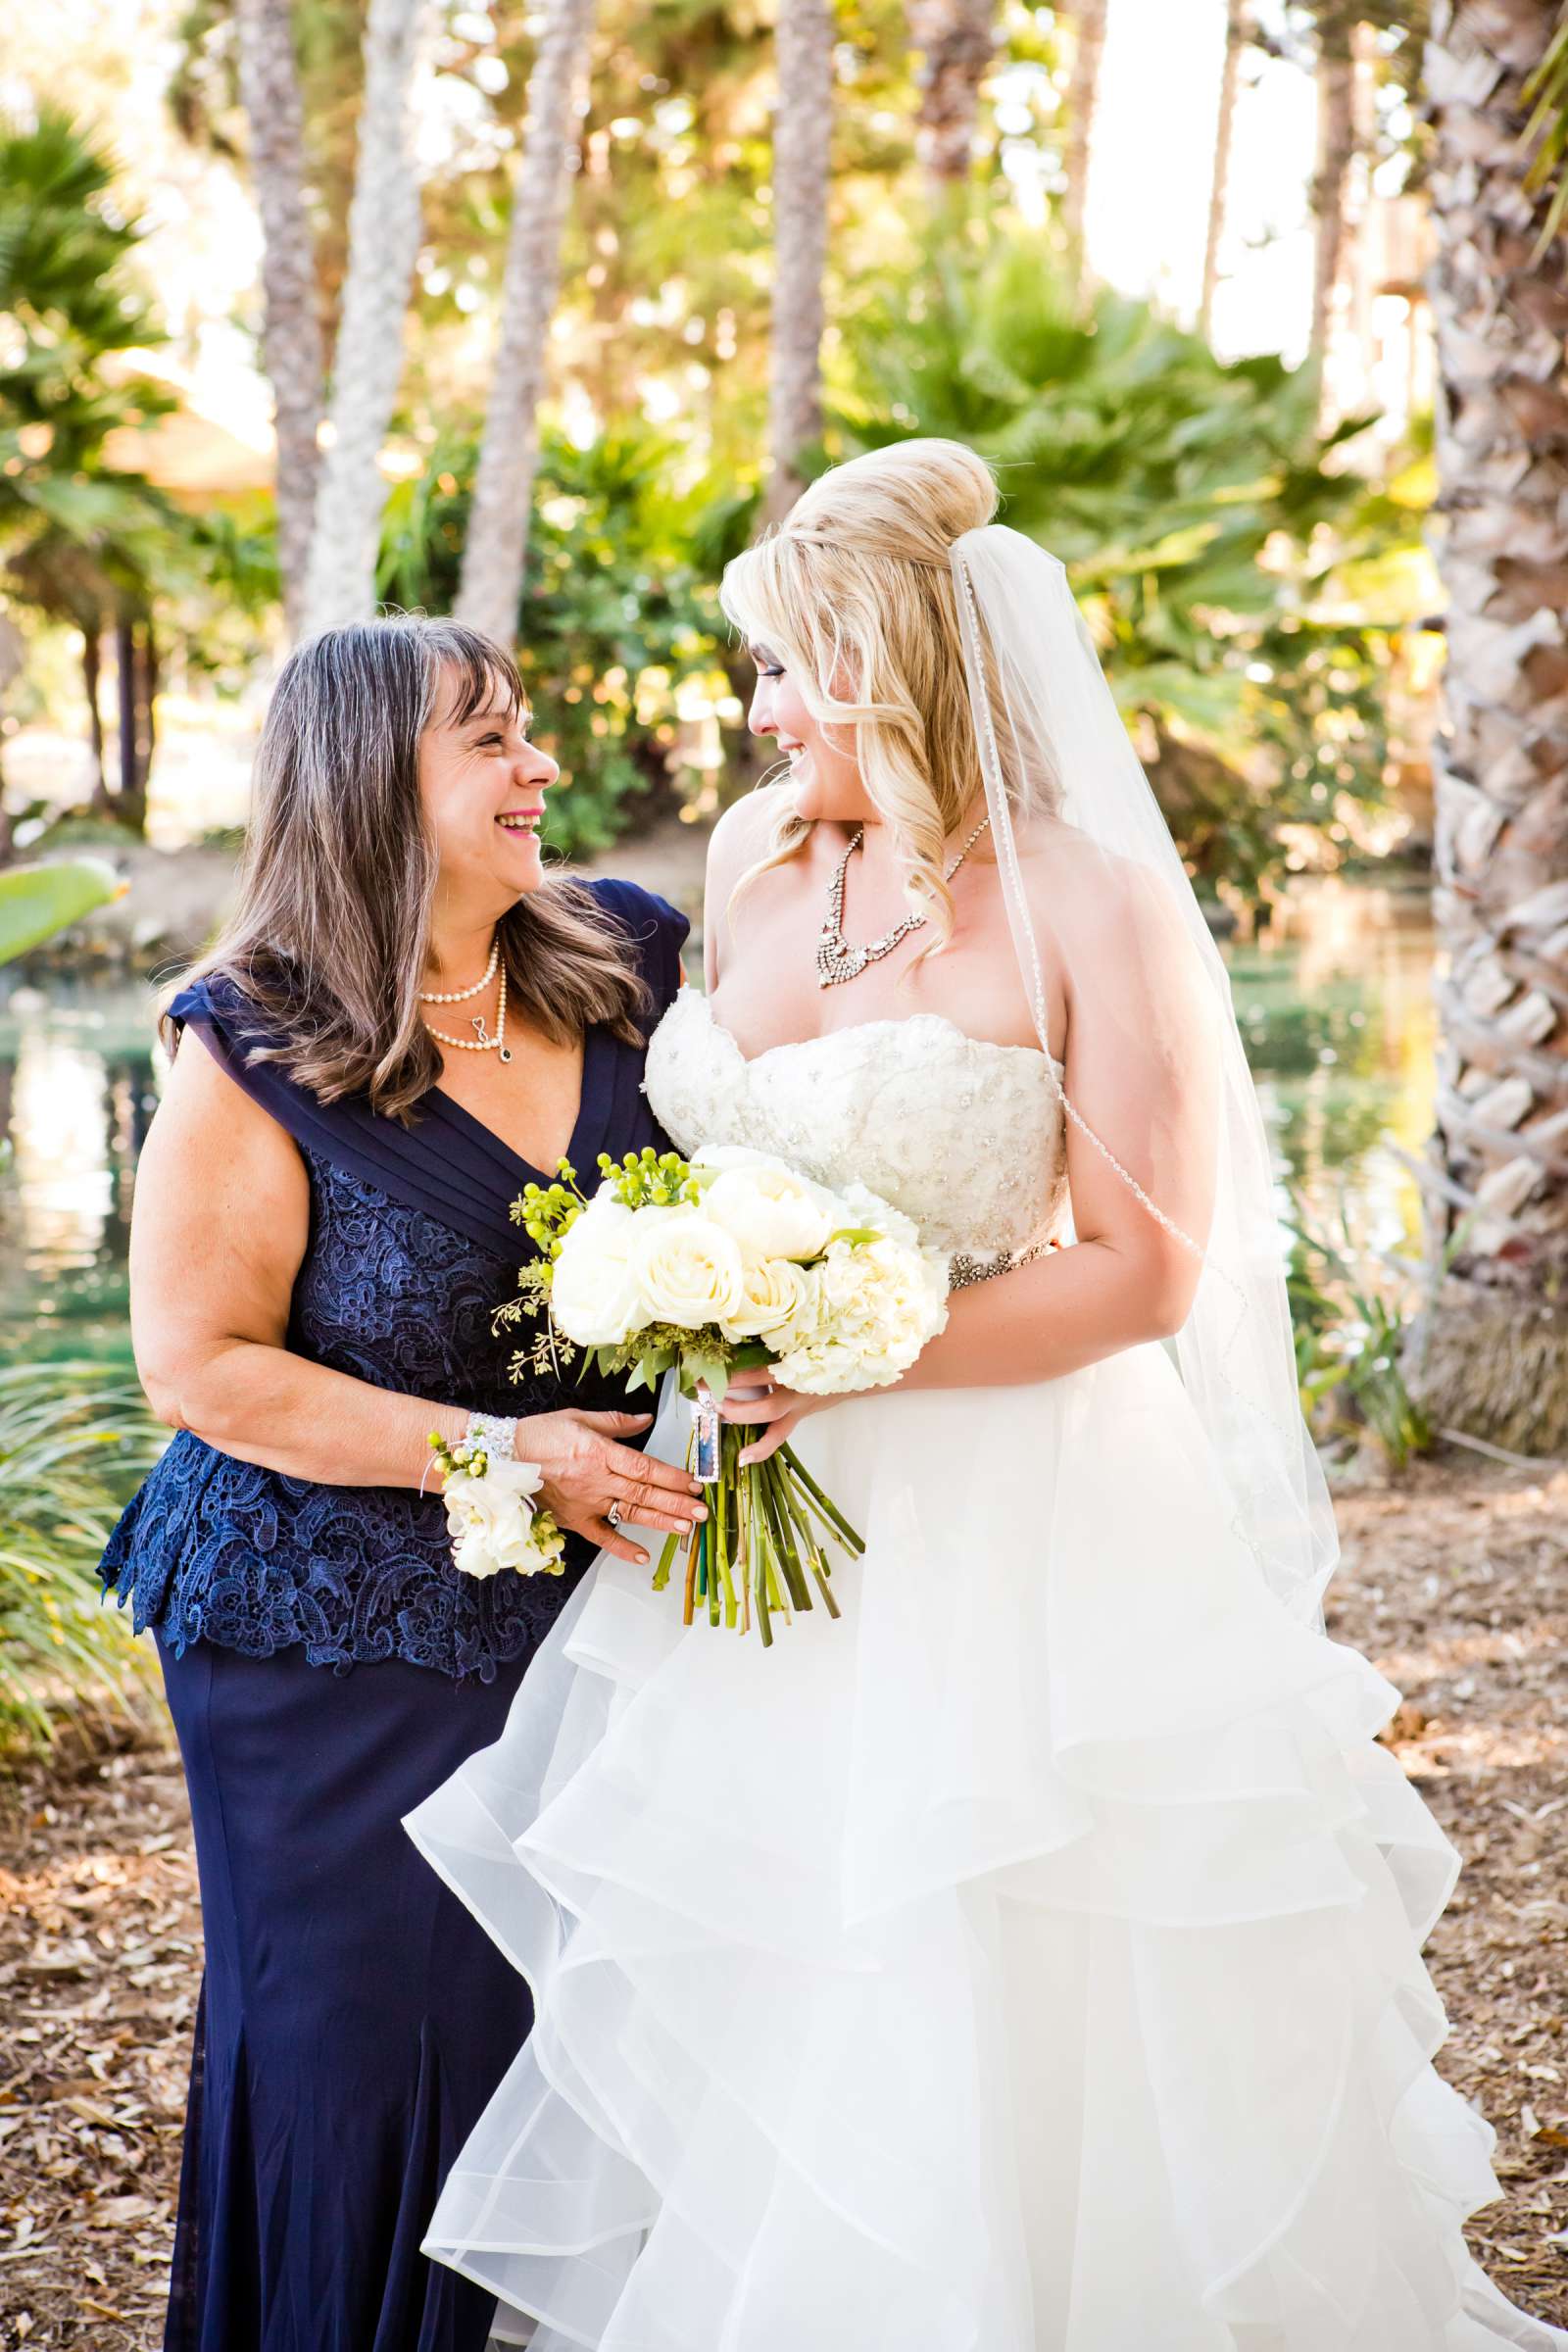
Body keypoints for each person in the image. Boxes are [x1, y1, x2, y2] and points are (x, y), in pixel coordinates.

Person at [406, 451, 1568, 2349]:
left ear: (897, 665)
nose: (761, 714)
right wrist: (696, 1311)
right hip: (758, 1539)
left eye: (787, 671)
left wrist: (841, 1349)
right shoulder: (752, 859)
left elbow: (1141, 1268)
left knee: (1001, 1962)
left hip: (1016, 1520)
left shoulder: (1086, 905)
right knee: (798, 1967)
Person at [99, 615, 707, 2352]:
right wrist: (499, 1455)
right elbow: (200, 1366)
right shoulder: (254, 1039)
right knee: (376, 2049)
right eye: (492, 745)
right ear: (377, 784)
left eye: (529, 735)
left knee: (583, 2034)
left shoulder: (632, 957)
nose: (540, 774)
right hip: (327, 1629)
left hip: (605, 1607)